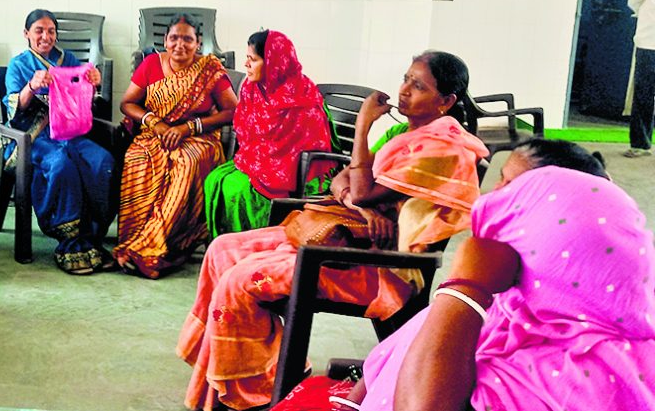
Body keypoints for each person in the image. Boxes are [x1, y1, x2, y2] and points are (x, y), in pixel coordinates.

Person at [178, 51, 489, 410]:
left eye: (418, 86)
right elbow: (344, 180)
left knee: (239, 280)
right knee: (222, 249)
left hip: (376, 267)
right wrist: (360, 205)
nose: (404, 90)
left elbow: (361, 188)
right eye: (406, 79)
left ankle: (257, 394)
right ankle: (245, 376)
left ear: (445, 101)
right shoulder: (403, 132)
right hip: (347, 235)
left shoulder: (444, 147)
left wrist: (362, 127)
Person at [271, 139, 643, 411]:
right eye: (500, 183)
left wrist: (466, 288)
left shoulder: (591, 370)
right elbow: (398, 350)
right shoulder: (507, 304)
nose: (489, 203)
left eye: (515, 195)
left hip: (385, 270)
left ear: (562, 229)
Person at [114, 13, 238, 279]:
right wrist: (156, 123)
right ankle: (135, 240)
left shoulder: (209, 69)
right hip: (155, 134)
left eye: (187, 39)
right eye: (174, 38)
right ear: (165, 40)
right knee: (137, 158)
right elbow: (127, 103)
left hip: (199, 138)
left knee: (186, 163)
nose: (180, 44)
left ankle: (154, 248)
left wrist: (190, 127)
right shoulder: (151, 64)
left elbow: (233, 111)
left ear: (198, 42)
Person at [2, 9, 114, 274]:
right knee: (61, 166)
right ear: (26, 33)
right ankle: (68, 242)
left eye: (51, 31)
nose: (46, 36)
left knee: (102, 161)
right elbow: (14, 109)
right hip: (33, 137)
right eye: (39, 30)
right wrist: (31, 86)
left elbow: (82, 99)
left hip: (70, 133)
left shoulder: (68, 59)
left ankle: (91, 237)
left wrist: (94, 84)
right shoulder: (19, 64)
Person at [203, 30, 337, 239]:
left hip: (293, 171)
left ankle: (250, 247)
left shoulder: (302, 100)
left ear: (275, 64)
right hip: (257, 159)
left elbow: (301, 150)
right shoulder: (253, 89)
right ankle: (223, 248)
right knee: (215, 179)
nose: (246, 64)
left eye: (253, 59)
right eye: (247, 58)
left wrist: (261, 160)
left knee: (237, 190)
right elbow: (246, 132)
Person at [625, 0, 655, 158]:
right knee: (644, 94)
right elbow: (634, 1)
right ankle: (640, 144)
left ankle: (640, 144)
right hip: (649, 42)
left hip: (649, 40)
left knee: (644, 94)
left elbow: (634, 2)